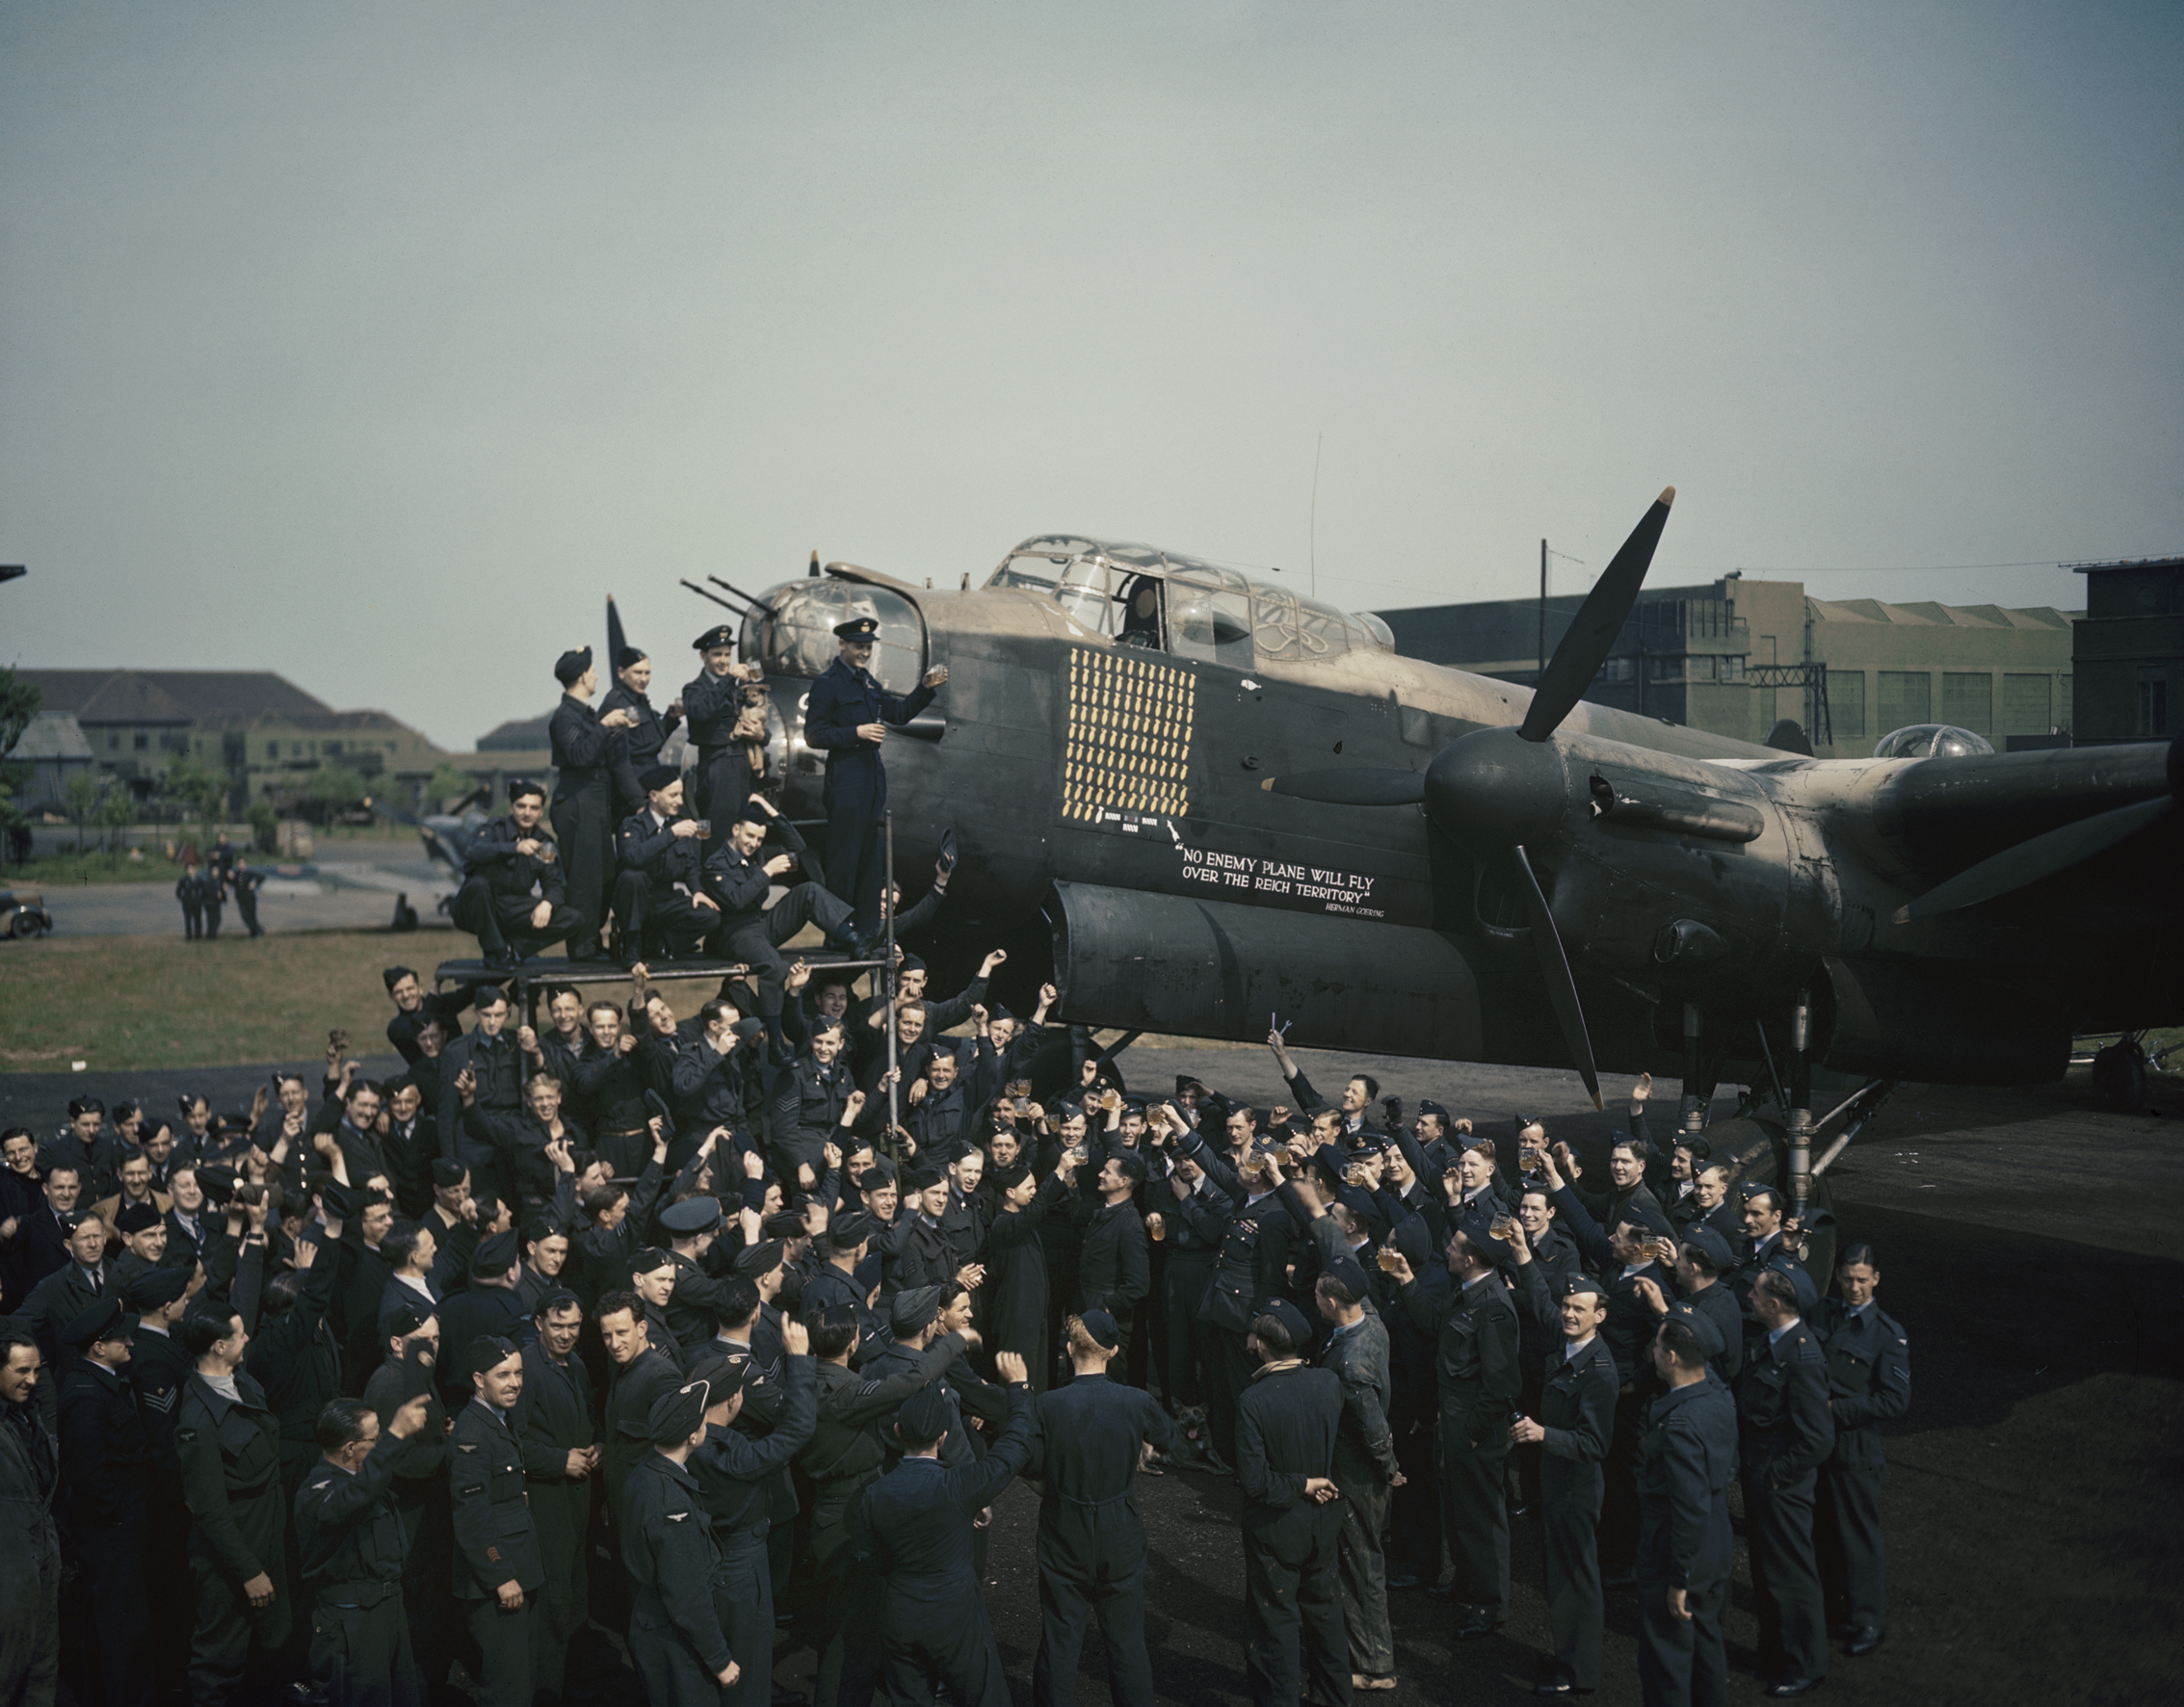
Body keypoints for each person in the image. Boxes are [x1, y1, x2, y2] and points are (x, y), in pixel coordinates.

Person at [850, 1354, 1037, 1707]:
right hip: (955, 1613)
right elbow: (1017, 1445)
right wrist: (1020, 1387)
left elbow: (866, 1557)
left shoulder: (874, 1494)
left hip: (900, 1610)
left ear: (897, 1432)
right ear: (944, 1436)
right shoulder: (959, 1484)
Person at [1028, 1309, 1178, 1707]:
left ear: (1068, 1349)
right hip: (1119, 1529)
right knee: (1127, 1644)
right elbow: (1169, 1437)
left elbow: (1029, 1465)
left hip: (1064, 1528)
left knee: (1060, 1641)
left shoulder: (1047, 1405)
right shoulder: (1136, 1400)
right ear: (1112, 1351)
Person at [1392, 1216, 1520, 1638]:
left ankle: (1490, 1605)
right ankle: (1465, 1582)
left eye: (1454, 1246)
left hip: (1475, 1427)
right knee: (1460, 1511)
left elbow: (1502, 1384)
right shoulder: (1465, 1292)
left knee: (1482, 1518)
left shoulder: (1493, 1307)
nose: (1446, 1249)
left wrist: (1472, 1430)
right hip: (1456, 1418)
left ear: (1469, 1259)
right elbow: (1432, 1326)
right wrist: (1408, 1281)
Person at [801, 613, 948, 945]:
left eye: (868, 647)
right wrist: (856, 732)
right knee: (843, 860)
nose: (864, 652)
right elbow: (814, 735)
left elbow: (897, 714)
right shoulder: (827, 684)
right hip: (846, 781)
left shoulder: (867, 682)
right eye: (858, 646)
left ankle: (866, 931)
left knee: (870, 861)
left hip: (871, 781)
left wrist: (924, 689)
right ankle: (837, 934)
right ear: (842, 644)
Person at [176, 1288, 293, 1706]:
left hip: (266, 1539)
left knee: (273, 1646)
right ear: (220, 1346)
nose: (249, 1340)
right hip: (230, 1559)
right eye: (241, 1335)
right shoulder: (198, 1420)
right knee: (219, 1660)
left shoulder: (242, 1383)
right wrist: (248, 1571)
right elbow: (209, 1510)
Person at [1234, 1300, 1350, 1707]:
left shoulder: (1254, 1400)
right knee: (1325, 1616)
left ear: (1263, 1345)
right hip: (1323, 1522)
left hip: (1277, 1528)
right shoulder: (1328, 1382)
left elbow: (1255, 1481)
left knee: (1275, 1624)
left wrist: (1301, 1484)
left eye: (1252, 1334)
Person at [1510, 1275, 1618, 1697]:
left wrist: (1543, 1435)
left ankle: (1580, 1671)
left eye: (1580, 1308)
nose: (1570, 1314)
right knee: (1561, 1577)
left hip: (1575, 1487)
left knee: (1576, 1580)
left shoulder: (1598, 1371)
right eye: (1567, 1306)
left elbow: (1594, 1444)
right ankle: (1567, 1655)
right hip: (1558, 1481)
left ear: (1600, 1316)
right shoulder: (1569, 1352)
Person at [292, 1392, 434, 1707]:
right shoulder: (318, 1492)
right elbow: (350, 1500)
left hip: (387, 1611)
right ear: (350, 1448)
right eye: (376, 1437)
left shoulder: (362, 1479)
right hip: (352, 1624)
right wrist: (396, 1435)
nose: (381, 1441)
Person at [1737, 1269, 1834, 1697]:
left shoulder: (1802, 1356)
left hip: (1781, 1482)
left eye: (1756, 1294)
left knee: (1790, 1575)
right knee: (1766, 1570)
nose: (1750, 1298)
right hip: (1762, 1474)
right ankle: (1775, 1653)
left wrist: (1777, 1477)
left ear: (1774, 1306)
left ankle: (1805, 1663)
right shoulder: (1772, 1342)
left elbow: (1818, 1438)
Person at [703, 793, 857, 1059]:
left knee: (808, 890)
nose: (754, 844)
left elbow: (797, 844)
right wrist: (766, 872)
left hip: (760, 924)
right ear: (735, 829)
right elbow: (737, 900)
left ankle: (853, 938)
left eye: (760, 839)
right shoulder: (715, 863)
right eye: (749, 836)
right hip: (734, 933)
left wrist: (771, 812)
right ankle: (776, 1043)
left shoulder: (758, 854)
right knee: (775, 967)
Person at [1636, 1319, 1739, 1707]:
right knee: (1707, 1644)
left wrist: (1679, 1578)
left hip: (1680, 1546)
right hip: (1717, 1539)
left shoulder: (1678, 1423)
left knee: (1666, 1658)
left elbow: (1688, 1508)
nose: (1655, 1353)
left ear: (1673, 1357)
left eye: (1659, 1348)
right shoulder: (1717, 1395)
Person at [55, 1299, 153, 1707]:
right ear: (98, 1347)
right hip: (109, 1531)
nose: (130, 1342)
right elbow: (86, 1471)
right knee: (119, 1632)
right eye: (120, 1337)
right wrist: (119, 1515)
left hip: (119, 1524)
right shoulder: (85, 1394)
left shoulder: (102, 1381)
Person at [619, 1378, 742, 1701]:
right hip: (674, 1639)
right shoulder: (671, 1503)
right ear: (692, 1436)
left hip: (649, 1622)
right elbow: (686, 1595)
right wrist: (720, 1661)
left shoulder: (645, 1472)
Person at [1815, 1243, 1908, 1661]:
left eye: (1862, 1280)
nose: (1854, 1287)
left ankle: (1868, 1619)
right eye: (1848, 1279)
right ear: (1838, 1278)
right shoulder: (1826, 1315)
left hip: (1855, 1446)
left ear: (1876, 1280)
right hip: (1821, 1445)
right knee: (1825, 1531)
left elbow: (1894, 1400)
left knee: (1858, 1537)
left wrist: (1838, 1408)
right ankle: (1835, 1610)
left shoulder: (1887, 1334)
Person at [1310, 1266, 1400, 1694]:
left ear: (1331, 1304)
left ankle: (1375, 1665)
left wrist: (1388, 1468)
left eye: (1317, 1296)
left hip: (1357, 1475)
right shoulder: (1372, 1322)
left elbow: (1372, 1430)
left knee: (1362, 1566)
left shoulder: (1350, 1365)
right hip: (1363, 1469)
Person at [448, 1336, 544, 1707]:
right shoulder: (472, 1436)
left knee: (521, 1680)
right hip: (496, 1580)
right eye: (503, 1374)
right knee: (507, 1689)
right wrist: (500, 1574)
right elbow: (472, 1519)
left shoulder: (496, 1421)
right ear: (478, 1379)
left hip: (517, 1568)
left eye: (519, 1372)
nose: (514, 1382)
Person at [511, 1291, 597, 1701]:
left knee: (574, 1594)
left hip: (576, 1500)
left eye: (574, 1326)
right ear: (539, 1323)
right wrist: (559, 1460)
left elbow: (583, 1420)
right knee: (553, 1602)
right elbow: (514, 1440)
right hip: (547, 1501)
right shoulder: (526, 1367)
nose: (566, 1334)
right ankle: (545, 1692)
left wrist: (595, 1446)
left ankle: (567, 1683)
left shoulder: (576, 1365)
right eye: (558, 1326)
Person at [547, 646, 634, 961]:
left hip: (595, 800)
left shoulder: (584, 713)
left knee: (605, 877)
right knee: (585, 880)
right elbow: (580, 756)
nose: (596, 675)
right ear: (582, 676)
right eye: (593, 670)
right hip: (578, 801)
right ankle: (583, 947)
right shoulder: (565, 716)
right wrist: (604, 726)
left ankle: (592, 939)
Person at [451, 781, 581, 970]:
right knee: (478, 884)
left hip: (512, 907)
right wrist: (515, 847)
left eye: (534, 808)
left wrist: (548, 903)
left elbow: (553, 883)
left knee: (573, 918)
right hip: (480, 906)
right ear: (512, 807)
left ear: (541, 811)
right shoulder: (493, 828)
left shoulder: (545, 843)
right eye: (521, 806)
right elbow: (475, 851)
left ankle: (515, 947)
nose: (527, 813)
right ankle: (495, 952)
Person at [0, 1333, 61, 1707]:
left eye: (36, 1370)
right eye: (22, 1371)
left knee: (41, 1670)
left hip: (39, 1565)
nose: (32, 1380)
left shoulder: (27, 1416)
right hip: (9, 1572)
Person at [611, 765, 723, 963]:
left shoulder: (678, 824)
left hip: (665, 901)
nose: (680, 801)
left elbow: (690, 865)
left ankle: (665, 944)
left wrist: (697, 890)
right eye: (673, 795)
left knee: (711, 915)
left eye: (680, 795)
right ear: (653, 796)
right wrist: (671, 834)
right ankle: (632, 948)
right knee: (633, 876)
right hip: (636, 903)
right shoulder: (632, 825)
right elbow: (635, 857)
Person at [680, 624, 763, 832]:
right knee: (716, 831)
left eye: (728, 654)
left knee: (744, 829)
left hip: (743, 765)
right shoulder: (694, 688)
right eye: (717, 654)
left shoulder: (735, 688)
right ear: (703, 656)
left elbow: (758, 718)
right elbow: (700, 712)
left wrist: (762, 735)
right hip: (717, 764)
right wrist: (728, 679)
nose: (724, 660)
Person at [599, 645, 684, 817]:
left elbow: (651, 742)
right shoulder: (616, 703)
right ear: (621, 673)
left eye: (647, 673)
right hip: (633, 789)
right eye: (638, 673)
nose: (644, 679)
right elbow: (619, 764)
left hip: (651, 781)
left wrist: (670, 718)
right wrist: (640, 802)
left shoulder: (640, 700)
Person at [232, 860, 267, 937]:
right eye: (239, 864)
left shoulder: (250, 873)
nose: (240, 865)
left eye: (242, 863)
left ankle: (254, 932)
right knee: (245, 916)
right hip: (240, 898)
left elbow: (262, 876)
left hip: (249, 897)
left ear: (245, 864)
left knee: (251, 915)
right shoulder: (236, 874)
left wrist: (255, 882)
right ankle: (258, 929)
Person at [177, 862, 205, 940]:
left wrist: (200, 899)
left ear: (195, 870)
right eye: (188, 869)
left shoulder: (198, 880)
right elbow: (178, 891)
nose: (190, 870)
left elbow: (204, 890)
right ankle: (188, 936)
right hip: (187, 903)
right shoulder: (184, 880)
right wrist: (183, 899)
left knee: (197, 919)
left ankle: (198, 935)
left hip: (196, 902)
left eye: (192, 868)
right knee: (188, 919)